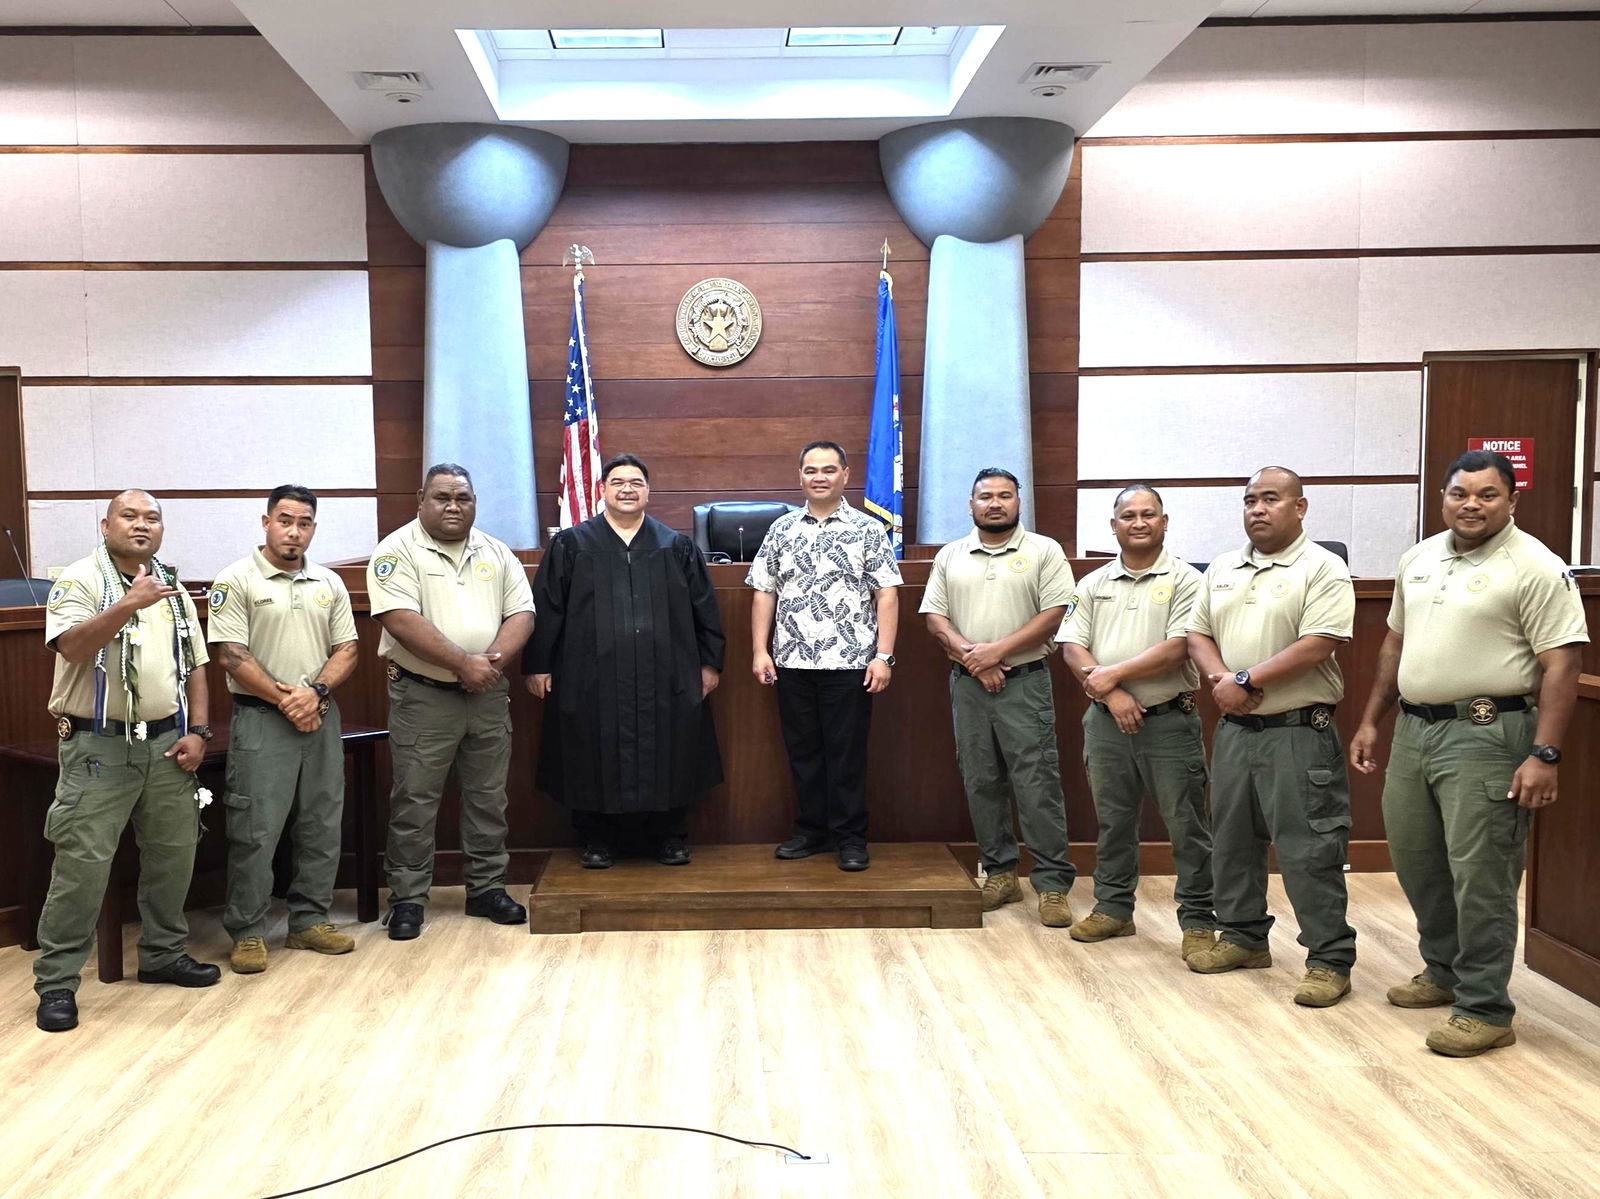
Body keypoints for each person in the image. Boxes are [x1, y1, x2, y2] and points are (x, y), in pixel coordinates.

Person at [1350, 450, 1587, 1056]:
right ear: (1444, 497)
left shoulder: (1536, 565)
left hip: (1489, 734)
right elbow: (1394, 643)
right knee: (1417, 860)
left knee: (1482, 873)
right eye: (1460, 493)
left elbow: (1562, 665)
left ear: (1512, 500)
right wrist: (1373, 719)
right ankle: (1444, 971)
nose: (1471, 505)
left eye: (1487, 494)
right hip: (1413, 731)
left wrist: (1545, 753)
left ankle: (1485, 1007)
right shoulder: (1419, 558)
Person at [33, 490, 218, 1032]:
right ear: (105, 524)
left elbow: (197, 664)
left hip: (167, 745)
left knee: (174, 853)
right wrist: (129, 604)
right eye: (130, 516)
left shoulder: (173, 584)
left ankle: (161, 955)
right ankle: (57, 983)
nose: (142, 525)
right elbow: (70, 646)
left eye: (152, 517)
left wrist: (200, 731)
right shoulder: (80, 580)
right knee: (82, 867)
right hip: (98, 747)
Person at [1185, 466, 1358, 1007]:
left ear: (1300, 507)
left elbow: (1319, 643)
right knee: (1232, 840)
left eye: (1271, 499)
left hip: (1298, 731)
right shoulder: (1221, 568)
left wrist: (1246, 680)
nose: (1258, 509)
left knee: (1310, 849)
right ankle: (1242, 937)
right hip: (1236, 730)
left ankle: (1329, 959)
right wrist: (1222, 682)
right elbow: (1197, 633)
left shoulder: (1323, 568)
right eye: (1250, 500)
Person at [523, 454, 725, 868]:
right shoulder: (572, 545)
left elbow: (704, 610)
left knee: (672, 748)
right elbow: (548, 609)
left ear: (649, 491)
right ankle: (597, 838)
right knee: (589, 749)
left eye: (636, 482)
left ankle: (669, 835)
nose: (627, 489)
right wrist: (539, 664)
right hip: (590, 675)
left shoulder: (676, 546)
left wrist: (710, 663)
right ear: (603, 490)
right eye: (618, 482)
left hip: (667, 674)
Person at [367, 464, 535, 940]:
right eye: (443, 497)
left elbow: (522, 612)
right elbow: (400, 619)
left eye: (463, 497)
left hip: (487, 694)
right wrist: (465, 663)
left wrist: (488, 664)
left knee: (487, 798)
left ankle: (486, 889)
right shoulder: (397, 551)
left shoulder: (495, 551)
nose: (454, 506)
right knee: (415, 801)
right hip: (424, 696)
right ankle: (407, 899)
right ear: (421, 499)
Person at [1058, 485, 1216, 958]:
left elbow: (1180, 646)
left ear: (1164, 522)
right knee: (1114, 822)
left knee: (1186, 825)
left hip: (1169, 723)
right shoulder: (1093, 583)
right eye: (1129, 515)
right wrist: (1114, 694)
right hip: (1107, 724)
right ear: (1113, 526)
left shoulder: (1188, 580)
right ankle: (1113, 908)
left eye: (1149, 514)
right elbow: (1071, 646)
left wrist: (1113, 677)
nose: (1139, 522)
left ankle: (1198, 920)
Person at [208, 485, 360, 974]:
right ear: (266, 522)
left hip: (319, 715)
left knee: (321, 824)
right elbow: (230, 654)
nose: (294, 531)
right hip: (261, 720)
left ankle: (309, 920)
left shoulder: (329, 582)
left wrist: (313, 694)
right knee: (256, 830)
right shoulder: (235, 580)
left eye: (305, 523)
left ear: (314, 527)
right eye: (285, 520)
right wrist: (288, 700)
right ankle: (248, 931)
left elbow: (348, 649)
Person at [921, 468, 1076, 927]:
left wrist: (995, 653)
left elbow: (1055, 614)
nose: (995, 503)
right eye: (985, 496)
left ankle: (1051, 885)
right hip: (968, 684)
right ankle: (1000, 872)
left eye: (1004, 496)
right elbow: (934, 617)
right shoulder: (951, 555)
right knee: (981, 780)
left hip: (1024, 681)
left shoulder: (1044, 551)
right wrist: (974, 659)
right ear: (970, 505)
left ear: (1018, 502)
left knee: (1037, 781)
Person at [749, 440, 902, 871]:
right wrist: (760, 651)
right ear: (800, 476)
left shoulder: (868, 529)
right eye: (811, 470)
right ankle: (810, 833)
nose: (820, 477)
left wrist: (883, 656)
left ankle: (851, 839)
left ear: (846, 475)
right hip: (792, 662)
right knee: (803, 753)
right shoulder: (782, 529)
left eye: (829, 470)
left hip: (851, 663)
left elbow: (886, 595)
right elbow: (764, 592)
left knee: (847, 754)